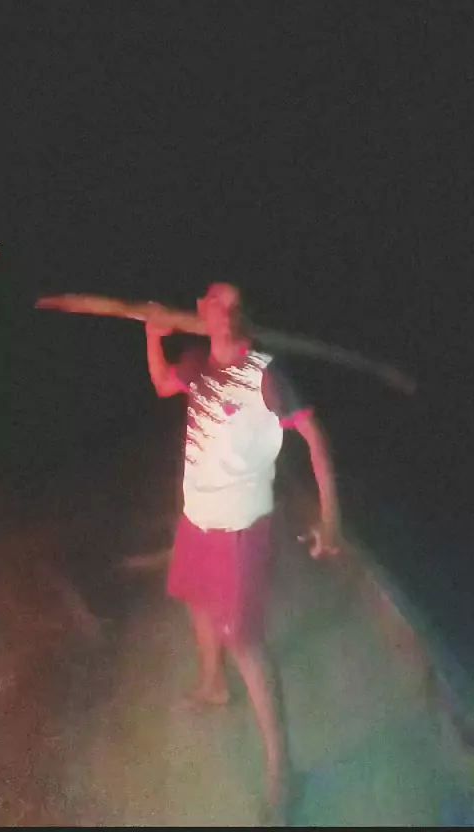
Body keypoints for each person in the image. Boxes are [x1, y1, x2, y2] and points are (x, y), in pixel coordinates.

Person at [145, 282, 341, 824]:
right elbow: (162, 383)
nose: (225, 314)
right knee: (196, 600)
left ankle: (284, 770)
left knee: (246, 644)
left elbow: (315, 440)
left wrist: (330, 519)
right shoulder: (194, 363)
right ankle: (213, 685)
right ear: (202, 312)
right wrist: (152, 336)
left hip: (241, 529)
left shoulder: (266, 376)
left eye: (235, 306)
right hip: (196, 519)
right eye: (216, 303)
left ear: (244, 316)